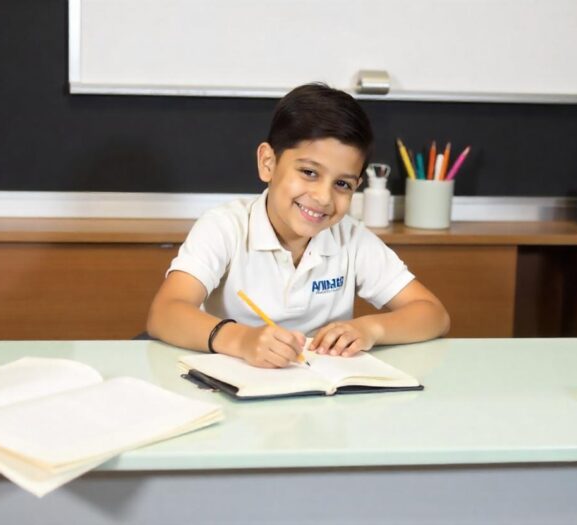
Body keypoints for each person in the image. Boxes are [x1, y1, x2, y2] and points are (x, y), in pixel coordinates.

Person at [147, 83, 449, 368]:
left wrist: (371, 328)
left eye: (342, 184)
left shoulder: (351, 238)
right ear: (268, 163)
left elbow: (433, 314)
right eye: (308, 172)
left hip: (318, 392)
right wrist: (241, 339)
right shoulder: (225, 227)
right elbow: (164, 313)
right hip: (232, 388)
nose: (323, 197)